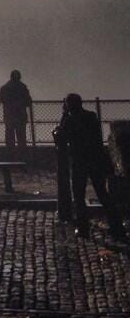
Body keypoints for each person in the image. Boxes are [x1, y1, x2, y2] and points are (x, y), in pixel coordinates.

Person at [54, 92, 127, 241]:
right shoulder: (91, 116)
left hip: (79, 161)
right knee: (103, 195)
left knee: (79, 196)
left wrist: (63, 116)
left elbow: (61, 138)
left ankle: (83, 228)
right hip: (95, 160)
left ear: (68, 105)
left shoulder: (69, 120)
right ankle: (117, 227)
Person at [0, 70, 33, 156]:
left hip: (9, 116)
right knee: (21, 137)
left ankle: (10, 154)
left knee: (10, 136)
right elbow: (29, 102)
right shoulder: (23, 88)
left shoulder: (5, 88)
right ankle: (22, 154)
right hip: (21, 116)